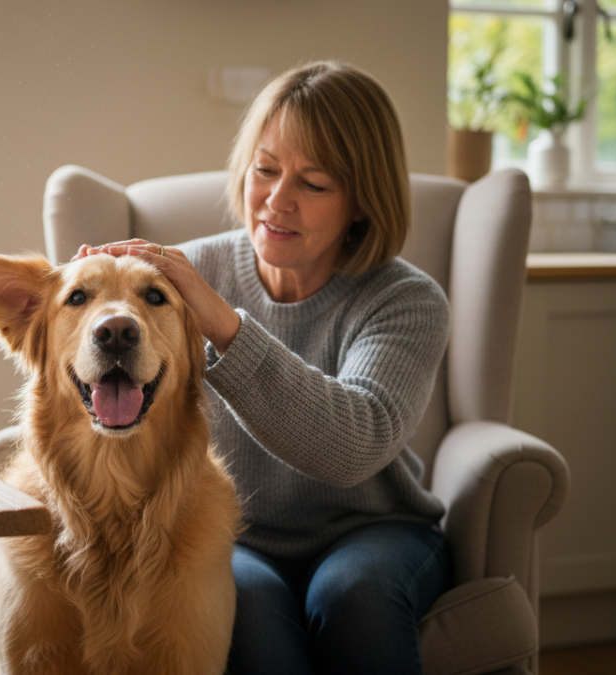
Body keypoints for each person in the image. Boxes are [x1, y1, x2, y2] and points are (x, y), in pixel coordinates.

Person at [76, 61, 452, 675]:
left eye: (315, 183)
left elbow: (355, 447)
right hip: (238, 534)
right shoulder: (178, 280)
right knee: (241, 605)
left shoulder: (406, 300)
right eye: (266, 170)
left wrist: (224, 327)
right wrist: (90, 301)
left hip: (375, 530)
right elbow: (104, 387)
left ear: (362, 202)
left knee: (352, 594)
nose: (278, 201)